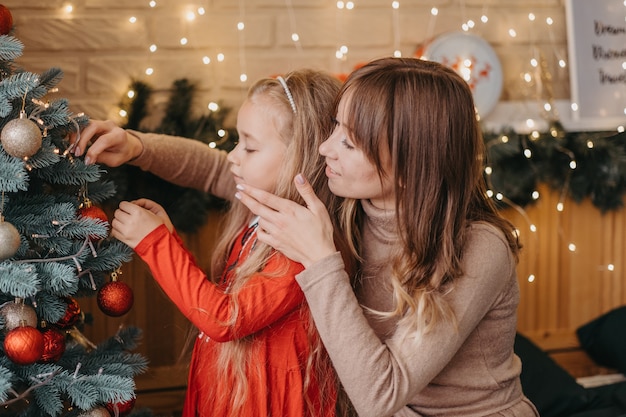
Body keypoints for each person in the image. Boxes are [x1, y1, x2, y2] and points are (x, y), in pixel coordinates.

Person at [234, 57, 540, 416]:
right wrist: (149, 151)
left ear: (411, 166)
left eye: (349, 143)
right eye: (335, 127)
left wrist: (320, 262)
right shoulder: (352, 202)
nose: (324, 148)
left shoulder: (480, 248)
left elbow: (380, 397)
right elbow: (227, 175)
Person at [71, 69, 352, 416]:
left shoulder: (302, 247)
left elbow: (225, 319)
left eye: (249, 146)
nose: (232, 156)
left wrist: (156, 244)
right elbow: (226, 301)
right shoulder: (257, 214)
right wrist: (170, 238)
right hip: (230, 389)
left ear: (302, 157)